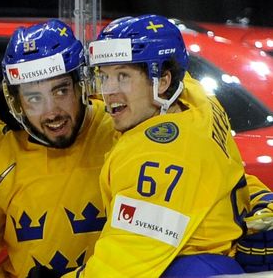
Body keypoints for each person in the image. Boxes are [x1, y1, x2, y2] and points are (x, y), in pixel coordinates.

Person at [61, 14, 250, 277]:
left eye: (123, 76)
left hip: (192, 269)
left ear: (162, 81)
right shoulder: (195, 98)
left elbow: (120, 269)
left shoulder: (157, 155)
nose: (109, 92)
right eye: (104, 76)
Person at [0, 19, 118, 277]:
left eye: (60, 91)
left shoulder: (117, 131)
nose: (51, 112)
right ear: (16, 103)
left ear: (81, 85)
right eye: (34, 98)